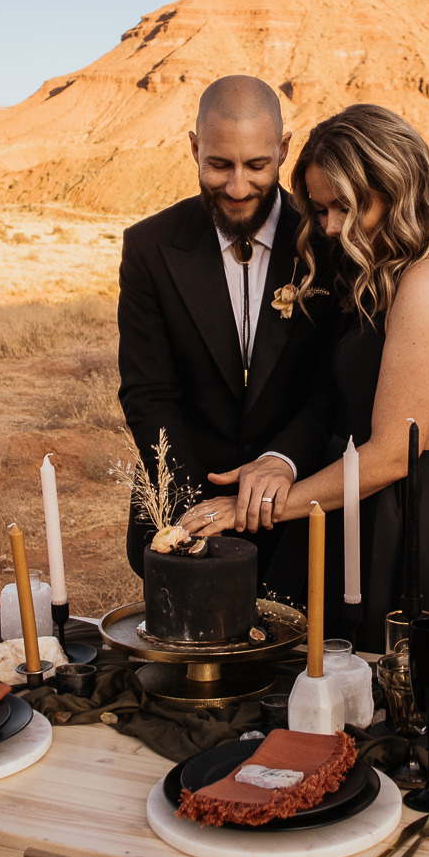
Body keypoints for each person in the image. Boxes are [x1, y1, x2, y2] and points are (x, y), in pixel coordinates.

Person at [180, 103, 429, 665]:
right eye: (321, 209)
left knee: (408, 708)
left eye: (344, 206)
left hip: (415, 518)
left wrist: (255, 509)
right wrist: (282, 462)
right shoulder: (387, 272)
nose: (327, 228)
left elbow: (394, 455)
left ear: (394, 186)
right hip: (358, 504)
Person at [116, 75, 338, 579]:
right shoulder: (149, 247)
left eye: (257, 165)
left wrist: (283, 460)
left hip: (300, 521)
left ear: (283, 150)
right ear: (194, 149)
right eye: (218, 164)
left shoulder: (327, 242)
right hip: (182, 518)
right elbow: (148, 392)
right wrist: (198, 516)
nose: (238, 187)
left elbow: (330, 387)